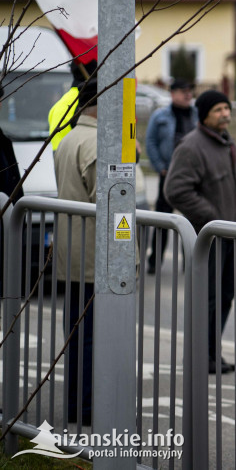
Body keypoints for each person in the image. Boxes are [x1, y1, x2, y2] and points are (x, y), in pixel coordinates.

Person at [163, 90, 236, 374]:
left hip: (231, 237)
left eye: (227, 108)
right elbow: (175, 190)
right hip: (209, 239)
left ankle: (212, 353)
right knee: (208, 298)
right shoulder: (191, 147)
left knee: (225, 296)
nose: (225, 113)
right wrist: (213, 219)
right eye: (218, 110)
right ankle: (200, 355)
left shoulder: (228, 143)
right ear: (203, 115)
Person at [53, 78, 99, 425]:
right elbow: (111, 203)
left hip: (73, 251)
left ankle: (76, 405)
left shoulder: (70, 137)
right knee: (92, 338)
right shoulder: (97, 141)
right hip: (94, 256)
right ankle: (85, 408)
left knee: (78, 334)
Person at [143, 78, 197, 273]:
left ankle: (190, 264)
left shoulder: (197, 114)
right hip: (168, 175)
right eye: (183, 90)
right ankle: (154, 262)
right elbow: (150, 142)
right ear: (172, 93)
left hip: (192, 177)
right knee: (163, 222)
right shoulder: (160, 116)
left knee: (191, 222)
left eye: (189, 90)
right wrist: (160, 167)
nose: (187, 94)